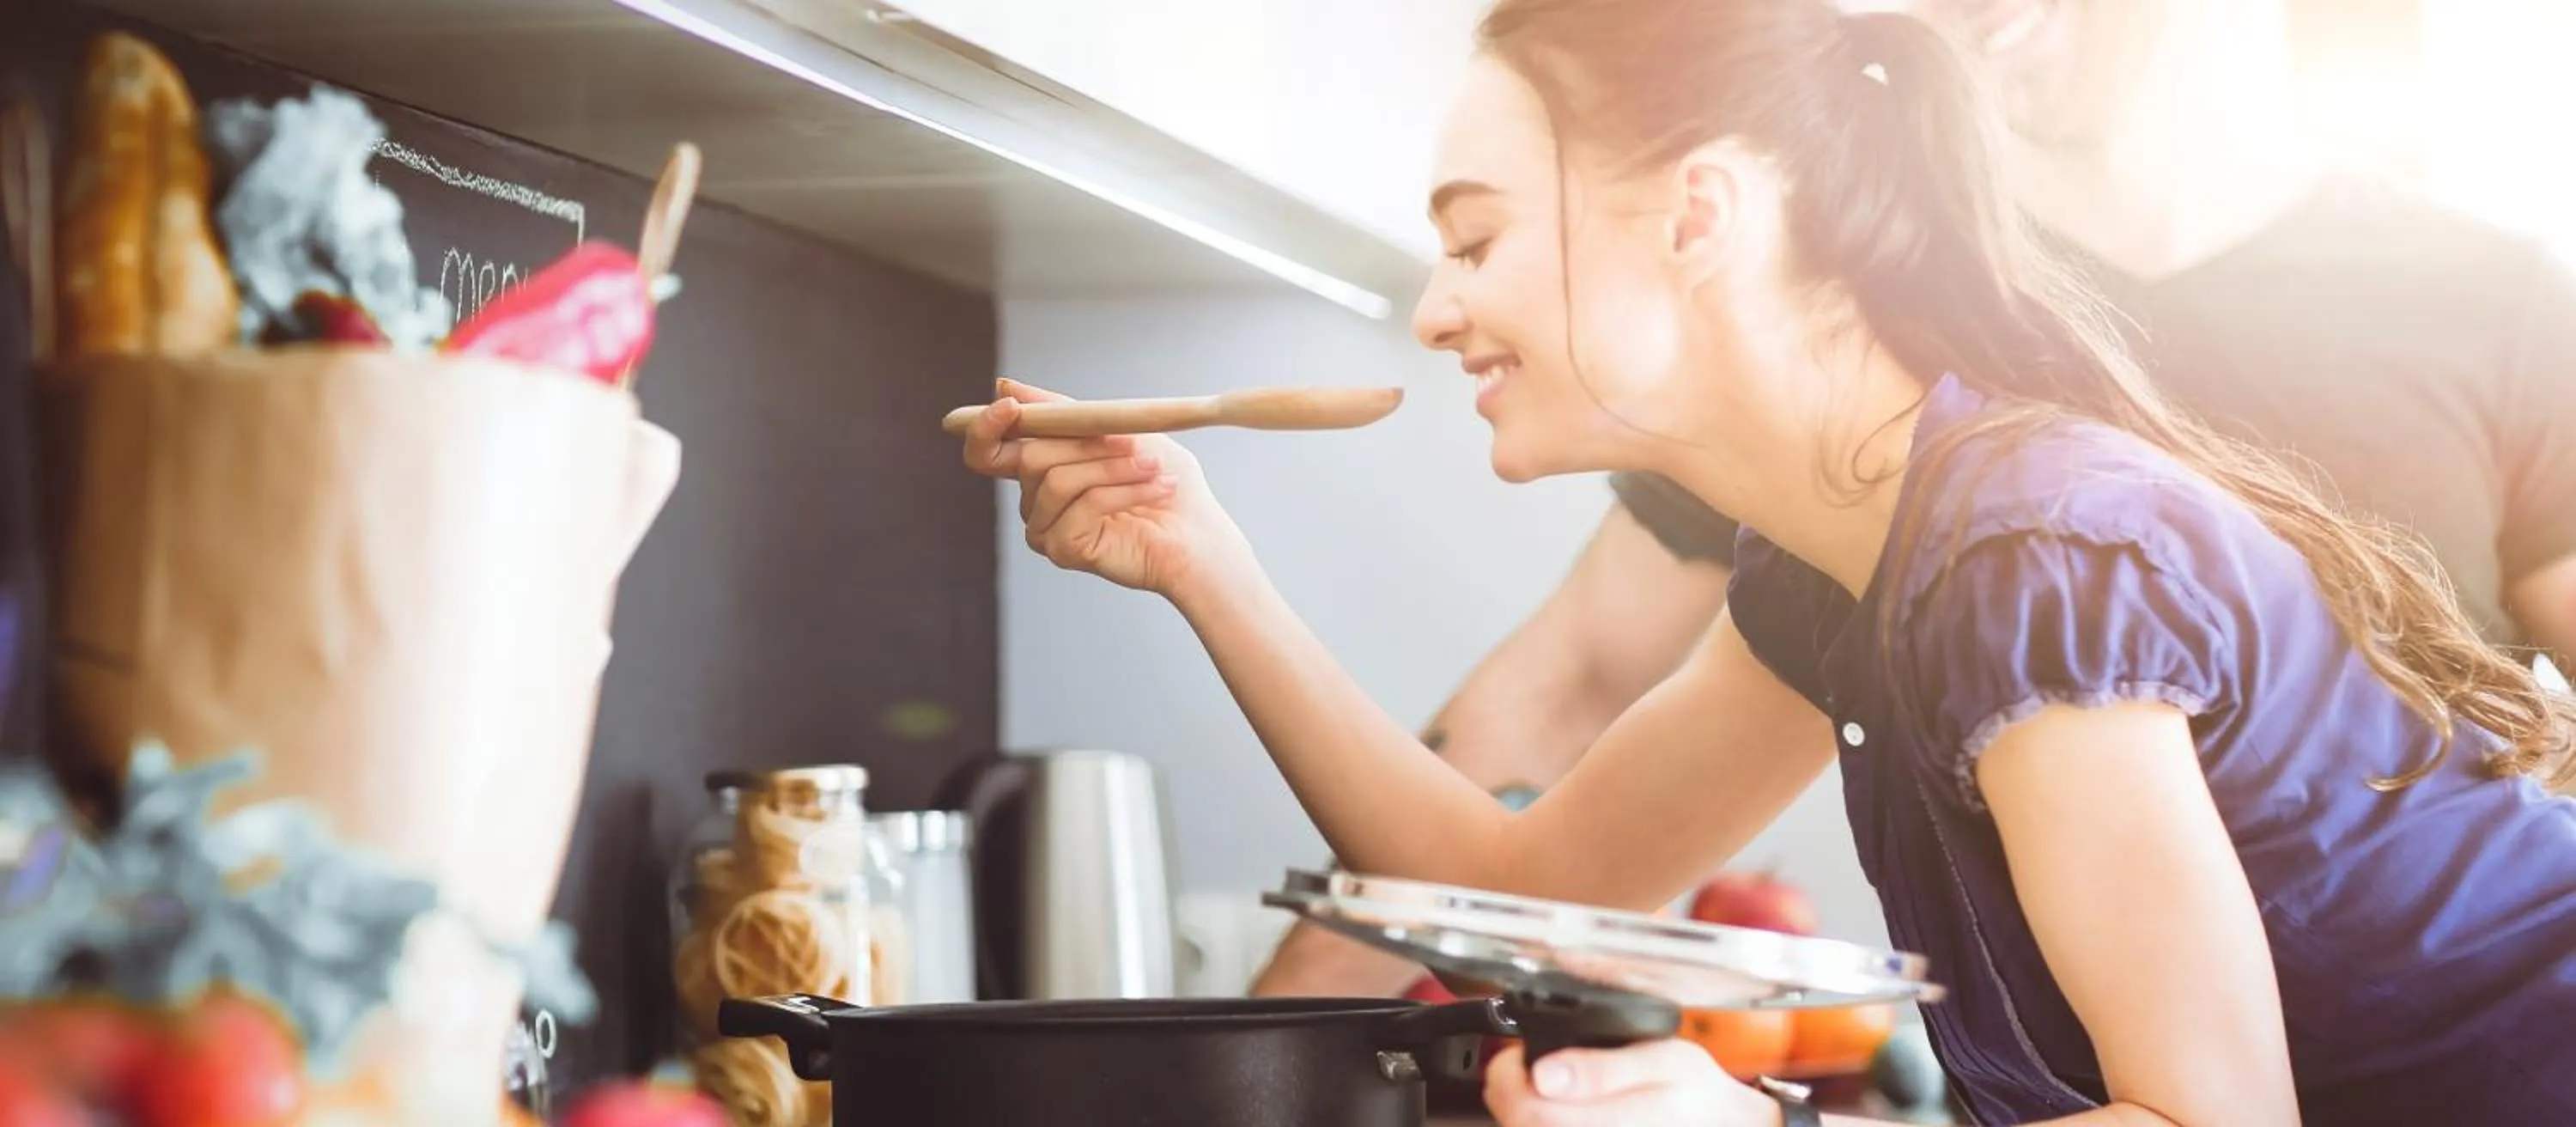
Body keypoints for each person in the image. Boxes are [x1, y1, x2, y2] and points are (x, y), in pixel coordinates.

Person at [962, 0, 2576, 1123]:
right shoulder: (1839, 569)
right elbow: (1523, 895)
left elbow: (2208, 1118)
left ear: (1698, 215)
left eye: (1476, 239)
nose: (1439, 308)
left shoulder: (2021, 552)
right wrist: (1203, 562)